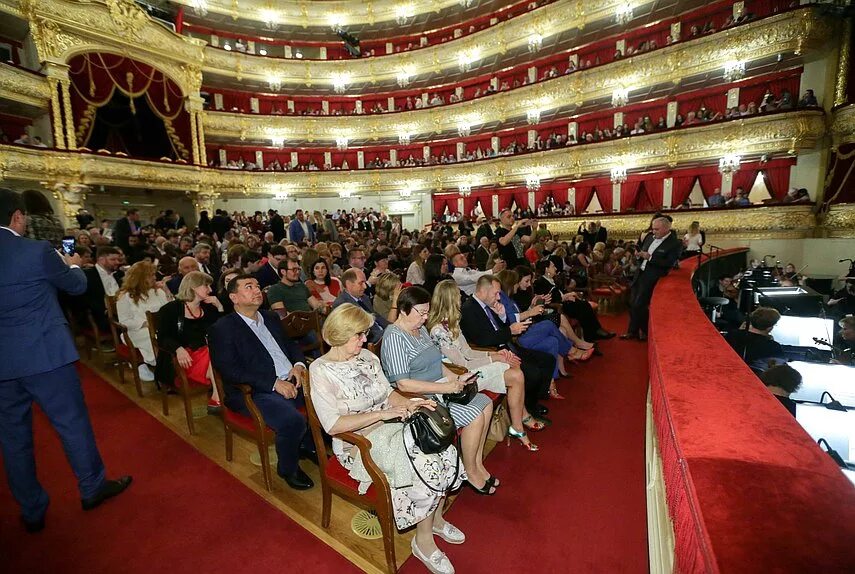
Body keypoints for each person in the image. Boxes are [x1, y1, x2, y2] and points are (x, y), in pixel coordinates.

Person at [0, 188, 131, 532]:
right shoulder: (37, 251)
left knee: (13, 438)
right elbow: (74, 287)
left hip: (3, 363)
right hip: (45, 354)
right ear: (17, 217)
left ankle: (31, 509)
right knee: (71, 423)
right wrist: (71, 265)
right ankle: (92, 487)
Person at [308, 304, 463, 573]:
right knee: (424, 461)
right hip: (359, 442)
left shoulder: (368, 358)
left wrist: (411, 403)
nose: (365, 340)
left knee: (442, 448)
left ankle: (435, 519)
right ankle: (423, 542)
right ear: (342, 333)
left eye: (365, 334)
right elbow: (333, 425)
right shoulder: (321, 370)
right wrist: (383, 415)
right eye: (359, 335)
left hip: (391, 425)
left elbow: (388, 393)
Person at [381, 287, 498, 495]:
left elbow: (435, 361)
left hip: (440, 390)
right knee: (475, 415)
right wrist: (445, 387)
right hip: (420, 400)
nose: (426, 318)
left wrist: (454, 378)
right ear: (404, 310)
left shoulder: (420, 329)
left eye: (427, 312)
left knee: (486, 403)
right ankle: (469, 471)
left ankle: (477, 464)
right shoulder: (394, 337)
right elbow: (403, 384)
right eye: (422, 313)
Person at [209, 275, 315, 491]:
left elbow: (291, 344)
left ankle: (307, 444)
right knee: (291, 420)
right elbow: (230, 370)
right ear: (234, 297)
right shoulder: (223, 328)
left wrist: (298, 365)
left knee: (330, 396)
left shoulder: (270, 317)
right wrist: (273, 383)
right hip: (253, 390)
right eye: (249, 287)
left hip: (289, 377)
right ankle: (288, 468)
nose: (257, 290)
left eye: (258, 285)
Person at [428, 280, 544, 449]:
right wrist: (494, 359)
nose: (461, 302)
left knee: (514, 369)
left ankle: (518, 425)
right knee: (513, 369)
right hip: (460, 377)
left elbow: (468, 352)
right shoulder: (438, 331)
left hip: (469, 368)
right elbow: (461, 364)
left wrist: (494, 353)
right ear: (450, 301)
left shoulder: (451, 324)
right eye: (458, 299)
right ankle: (520, 422)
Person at [461, 276, 554, 419]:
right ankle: (529, 409)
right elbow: (481, 339)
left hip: (507, 345)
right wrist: (510, 330)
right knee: (533, 372)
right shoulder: (469, 308)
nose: (498, 297)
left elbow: (502, 329)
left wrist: (503, 316)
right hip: (494, 352)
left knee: (548, 360)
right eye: (496, 293)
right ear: (484, 291)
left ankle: (533, 399)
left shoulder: (488, 304)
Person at [155, 271, 223, 411]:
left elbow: (223, 331)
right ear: (194, 287)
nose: (210, 290)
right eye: (206, 286)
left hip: (209, 355)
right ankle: (221, 396)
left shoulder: (208, 307)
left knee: (218, 352)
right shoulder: (170, 309)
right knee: (217, 354)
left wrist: (220, 307)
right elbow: (162, 337)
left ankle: (218, 396)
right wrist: (178, 348)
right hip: (184, 359)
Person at [621, 216, 682, 341]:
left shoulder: (675, 243)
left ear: (666, 228)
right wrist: (639, 256)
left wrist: (649, 257)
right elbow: (642, 253)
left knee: (639, 305)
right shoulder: (649, 237)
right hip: (640, 274)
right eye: (653, 229)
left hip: (653, 277)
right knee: (630, 302)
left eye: (656, 229)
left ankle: (644, 331)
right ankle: (635, 331)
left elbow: (669, 263)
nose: (653, 232)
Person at [116, 260, 172, 381]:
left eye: (154, 274)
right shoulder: (125, 296)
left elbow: (171, 310)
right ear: (140, 278)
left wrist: (167, 291)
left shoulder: (158, 291)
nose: (154, 277)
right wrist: (144, 323)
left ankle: (172, 364)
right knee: (154, 336)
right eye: (150, 275)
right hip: (138, 331)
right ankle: (160, 366)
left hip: (159, 327)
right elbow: (124, 321)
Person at [533, 258, 614, 340]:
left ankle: (593, 335)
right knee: (583, 307)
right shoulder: (540, 282)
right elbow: (550, 298)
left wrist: (567, 295)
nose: (556, 268)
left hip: (567, 302)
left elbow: (562, 291)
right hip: (559, 306)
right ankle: (593, 335)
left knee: (584, 306)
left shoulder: (553, 279)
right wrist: (566, 296)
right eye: (553, 266)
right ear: (547, 269)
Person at [332, 268, 389, 343]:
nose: (365, 287)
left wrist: (393, 327)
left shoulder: (364, 297)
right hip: (367, 340)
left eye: (365, 282)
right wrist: (388, 333)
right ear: (348, 284)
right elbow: (360, 332)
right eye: (361, 283)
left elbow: (376, 316)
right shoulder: (342, 304)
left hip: (381, 334)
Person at [80, 246, 123, 332]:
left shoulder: (118, 274)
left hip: (122, 312)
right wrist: (106, 310)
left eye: (118, 260)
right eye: (113, 259)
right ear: (101, 259)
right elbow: (86, 300)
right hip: (101, 316)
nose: (117, 262)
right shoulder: (87, 275)